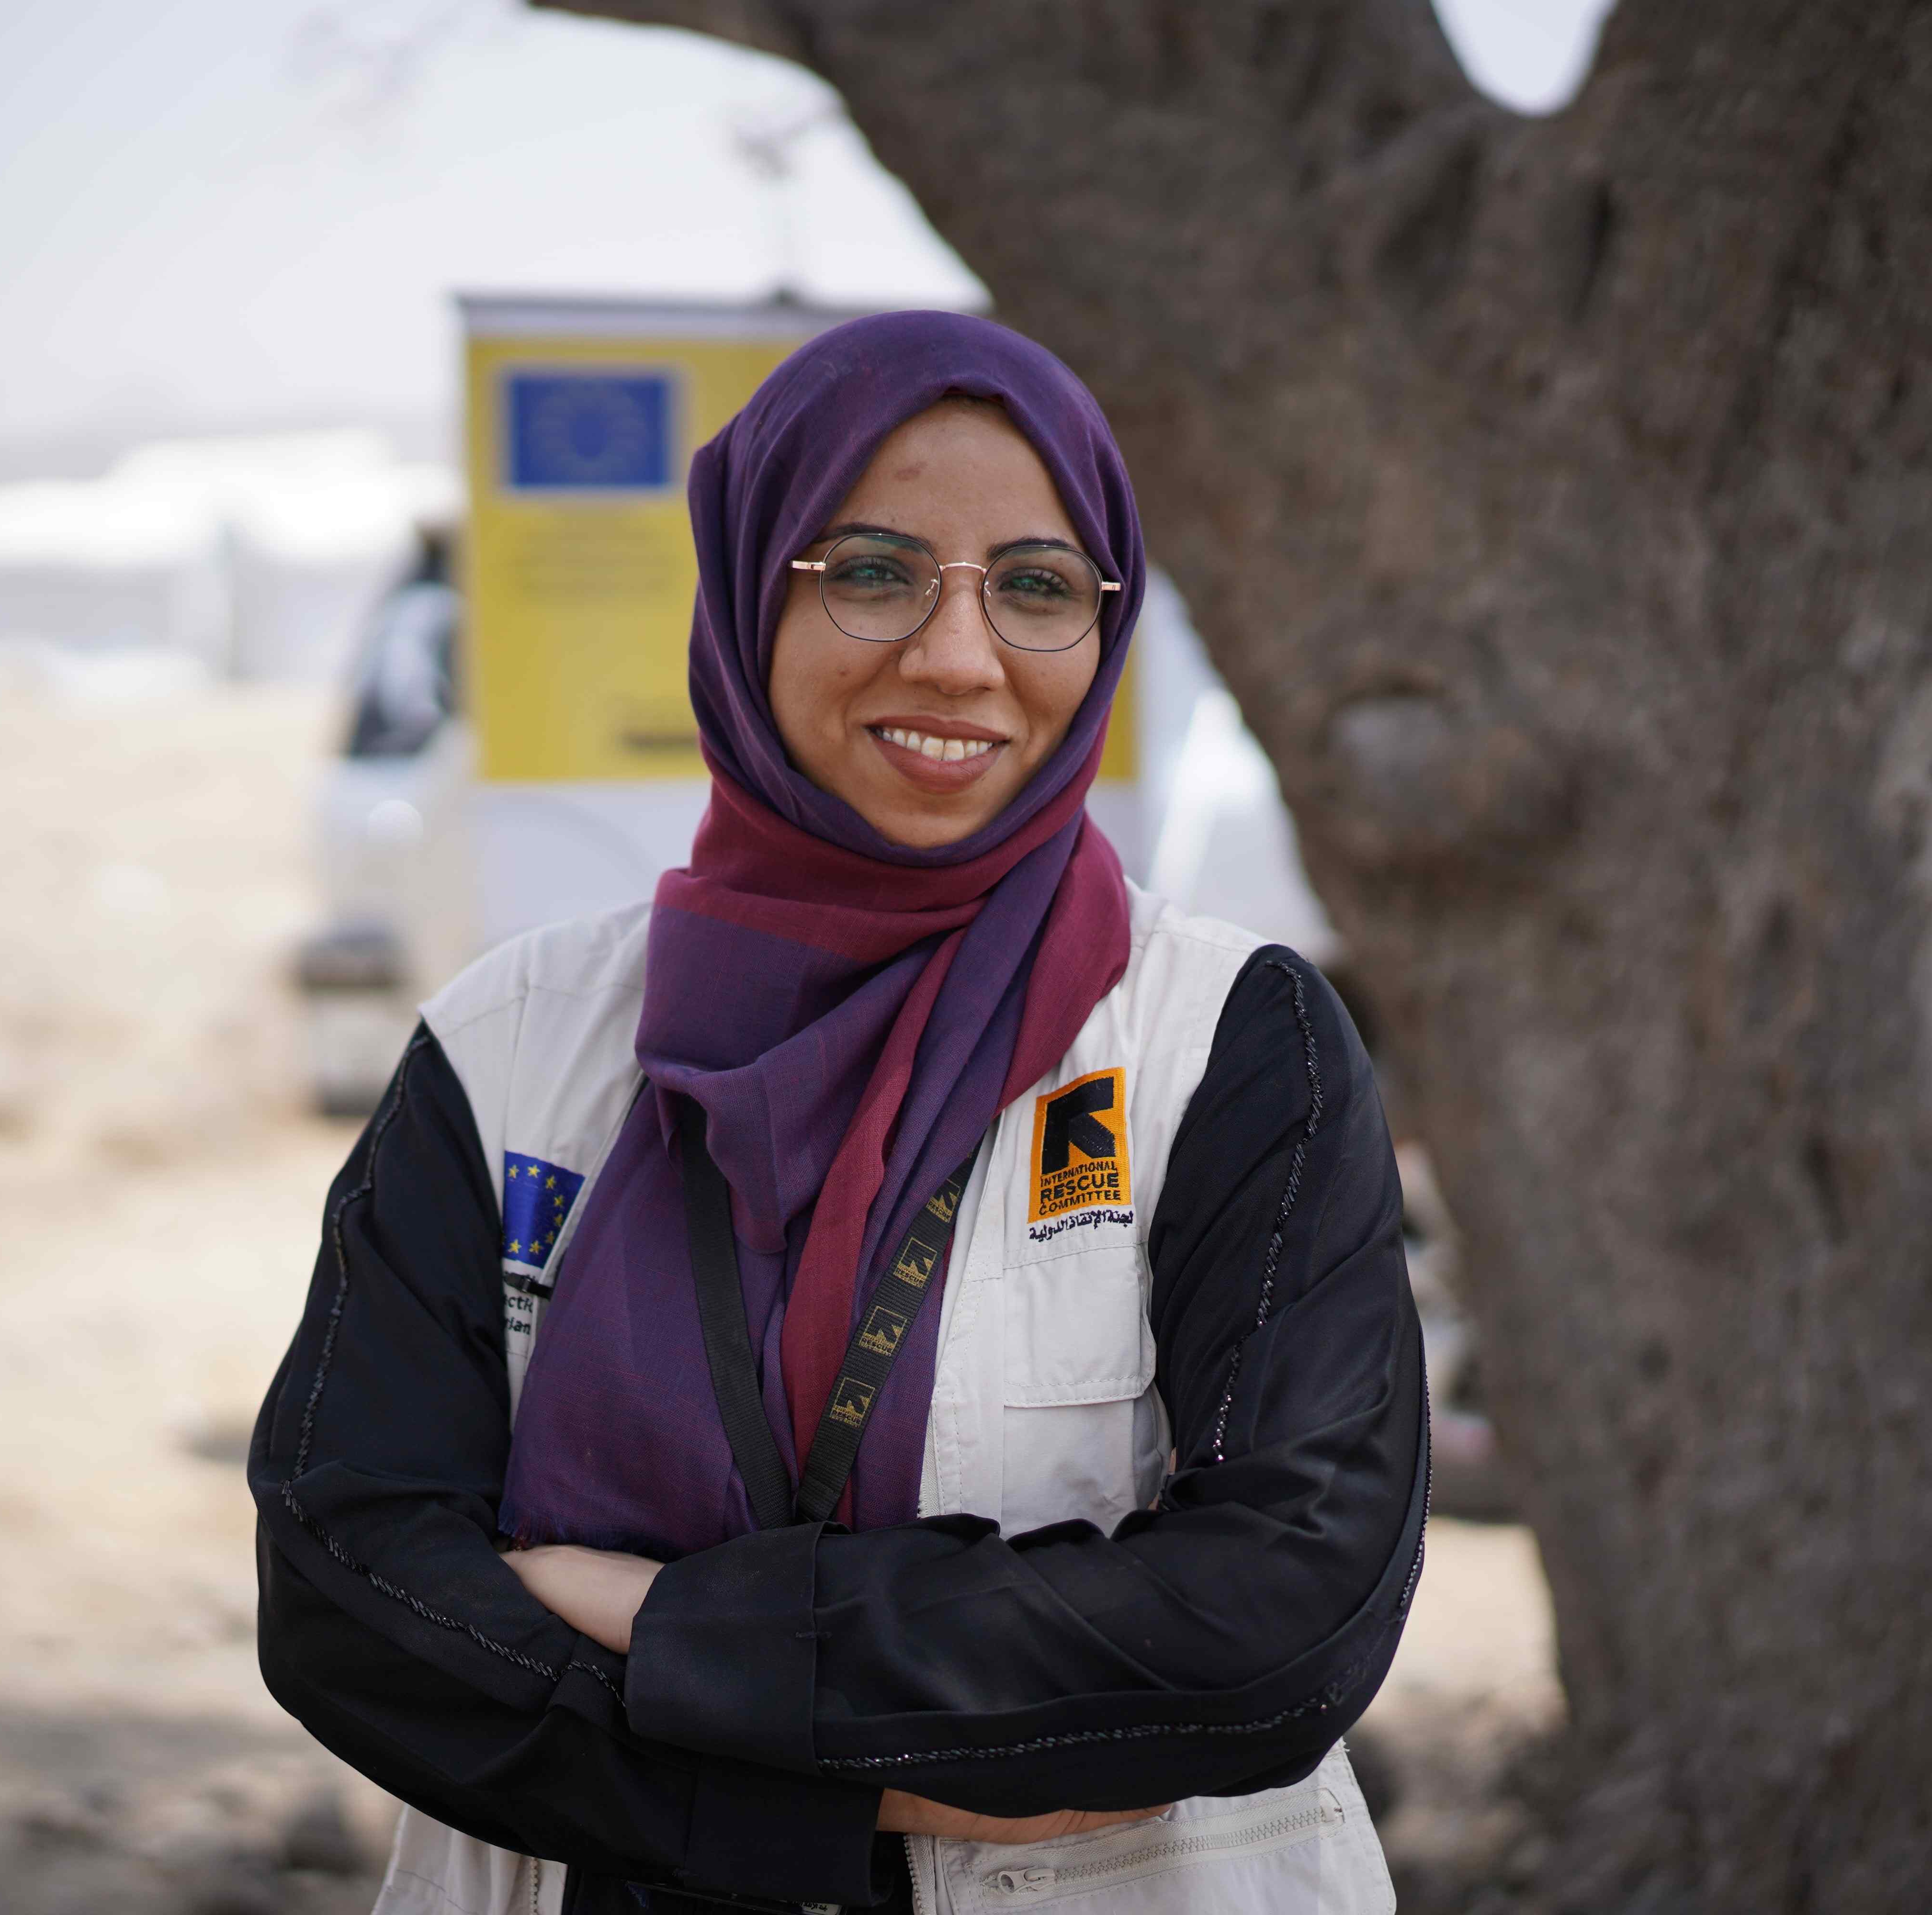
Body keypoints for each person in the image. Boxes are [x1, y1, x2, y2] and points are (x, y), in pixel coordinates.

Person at [249, 311, 1426, 1915]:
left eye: (1033, 586)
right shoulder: (509, 1045)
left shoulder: (1226, 1042)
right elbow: (353, 1587)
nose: (957, 657)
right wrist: (842, 1806)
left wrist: (667, 1632)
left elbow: (1281, 1618)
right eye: (872, 572)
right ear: (747, 594)